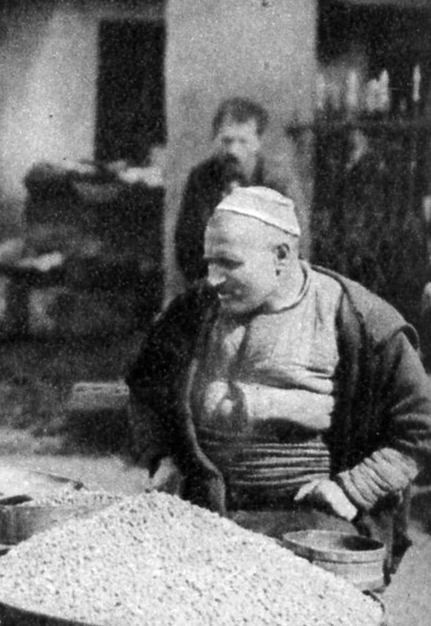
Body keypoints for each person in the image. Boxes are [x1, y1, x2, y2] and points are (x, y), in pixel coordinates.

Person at [128, 186, 431, 592]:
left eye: (229, 263)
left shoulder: (359, 319)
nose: (213, 279)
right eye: (209, 262)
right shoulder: (193, 310)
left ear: (282, 257)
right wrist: (163, 457)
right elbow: (146, 385)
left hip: (310, 521)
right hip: (204, 510)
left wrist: (355, 488)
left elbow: (421, 424)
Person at [173, 98, 302, 285]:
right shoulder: (200, 178)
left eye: (243, 141)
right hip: (213, 290)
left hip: (267, 292)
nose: (233, 150)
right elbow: (186, 245)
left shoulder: (279, 182)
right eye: (226, 141)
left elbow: (296, 248)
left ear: (258, 143)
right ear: (214, 139)